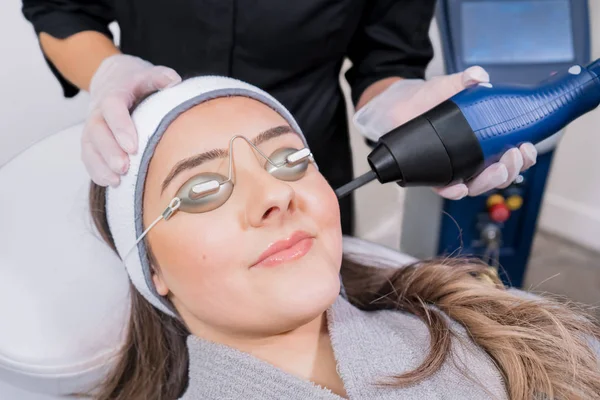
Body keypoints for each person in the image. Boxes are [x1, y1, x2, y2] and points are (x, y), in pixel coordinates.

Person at [88, 76, 599, 400]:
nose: (277, 194)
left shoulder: (480, 327)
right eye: (202, 188)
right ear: (152, 269)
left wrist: (392, 89)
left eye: (290, 160)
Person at [22, 0, 538, 236]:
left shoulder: (290, 198)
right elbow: (59, 8)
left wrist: (399, 105)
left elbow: (387, 60)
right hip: (155, 167)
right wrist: (110, 71)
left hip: (309, 156)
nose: (263, 200)